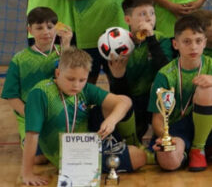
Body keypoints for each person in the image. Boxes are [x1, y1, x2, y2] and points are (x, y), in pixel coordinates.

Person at [20, 48, 143, 186]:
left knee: (115, 105)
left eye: (82, 80)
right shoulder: (41, 93)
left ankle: (128, 142)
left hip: (89, 139)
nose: (76, 85)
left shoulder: (85, 89)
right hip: (70, 156)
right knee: (139, 157)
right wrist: (27, 173)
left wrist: (111, 121)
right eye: (70, 79)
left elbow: (125, 102)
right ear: (58, 73)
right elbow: (32, 134)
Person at [149, 15, 212, 172]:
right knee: (168, 162)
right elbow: (157, 119)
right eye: (187, 42)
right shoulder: (165, 75)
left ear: (204, 43)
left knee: (208, 90)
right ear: (175, 44)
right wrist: (166, 137)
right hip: (177, 130)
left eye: (198, 41)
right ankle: (183, 154)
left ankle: (198, 148)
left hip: (209, 131)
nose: (193, 47)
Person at [105, 0, 174, 146]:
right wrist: (118, 76)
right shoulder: (117, 43)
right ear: (127, 20)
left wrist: (150, 39)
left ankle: (160, 136)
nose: (149, 18)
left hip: (156, 98)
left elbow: (166, 72)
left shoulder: (161, 39)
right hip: (131, 99)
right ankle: (132, 140)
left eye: (152, 13)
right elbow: (118, 93)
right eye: (142, 14)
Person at [2, 7, 71, 144]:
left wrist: (67, 45)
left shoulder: (64, 53)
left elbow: (70, 78)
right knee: (36, 153)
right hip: (30, 115)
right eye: (39, 28)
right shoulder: (19, 59)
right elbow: (11, 95)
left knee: (67, 149)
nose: (46, 31)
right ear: (30, 30)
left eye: (50, 27)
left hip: (60, 113)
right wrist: (30, 115)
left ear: (57, 28)